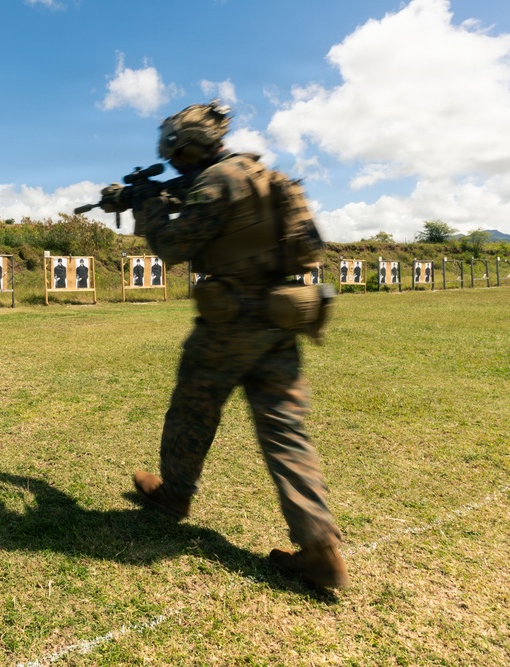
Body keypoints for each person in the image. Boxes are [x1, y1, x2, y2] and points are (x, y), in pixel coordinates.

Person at [118, 101, 348, 589]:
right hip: (280, 318)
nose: (173, 160)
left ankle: (174, 494)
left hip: (230, 321)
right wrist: (150, 195)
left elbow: (174, 246)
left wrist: (147, 205)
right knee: (285, 431)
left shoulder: (214, 182)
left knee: (192, 409)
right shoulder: (261, 175)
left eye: (175, 152)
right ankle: (320, 547)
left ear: (186, 147)